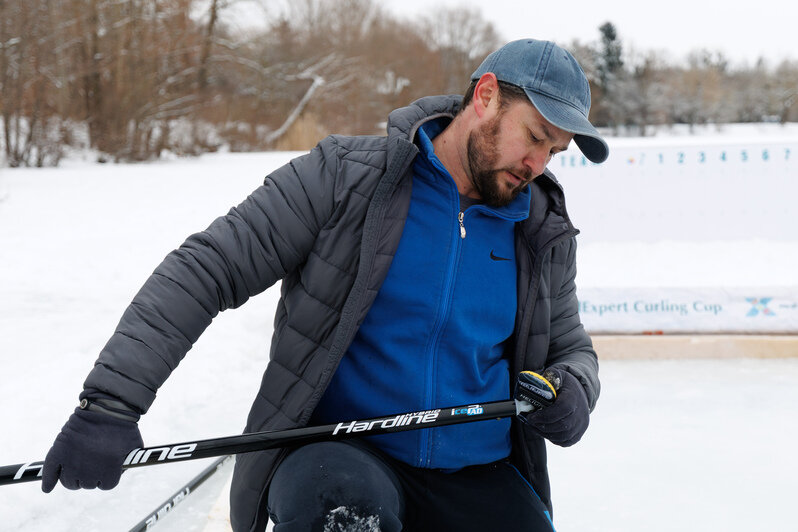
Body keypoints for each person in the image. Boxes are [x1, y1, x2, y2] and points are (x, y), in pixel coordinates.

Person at [42, 39, 608, 531]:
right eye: (534, 137)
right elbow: (208, 267)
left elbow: (570, 347)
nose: (539, 163)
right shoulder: (345, 178)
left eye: (553, 152)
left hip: (478, 467)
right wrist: (111, 404)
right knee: (340, 516)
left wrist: (571, 389)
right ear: (485, 97)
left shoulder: (540, 230)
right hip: (344, 453)